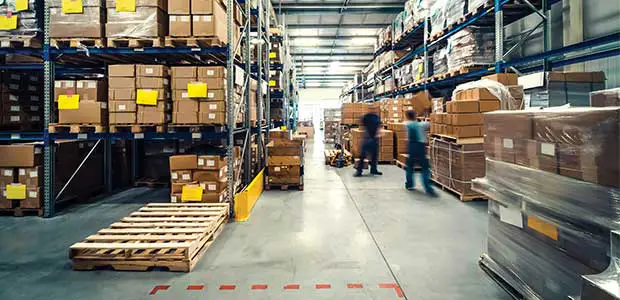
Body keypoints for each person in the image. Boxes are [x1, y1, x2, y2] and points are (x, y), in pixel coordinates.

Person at [405, 111, 437, 197]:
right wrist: (424, 117)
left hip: (410, 147)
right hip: (420, 148)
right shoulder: (421, 125)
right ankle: (428, 188)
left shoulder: (407, 124)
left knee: (409, 167)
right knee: (425, 168)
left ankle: (409, 185)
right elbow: (430, 124)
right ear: (415, 116)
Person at [354, 112, 383, 177]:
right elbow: (379, 127)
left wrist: (378, 133)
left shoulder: (374, 116)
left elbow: (379, 126)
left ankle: (373, 170)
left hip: (371, 138)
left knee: (374, 156)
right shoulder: (369, 116)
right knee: (363, 155)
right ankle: (359, 171)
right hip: (369, 138)